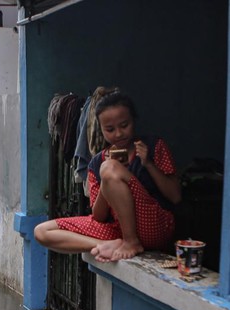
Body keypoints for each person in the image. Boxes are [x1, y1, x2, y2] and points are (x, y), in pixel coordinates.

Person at [34, 92, 182, 262]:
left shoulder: (154, 146)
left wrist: (148, 163)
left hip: (154, 226)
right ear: (101, 129)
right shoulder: (97, 163)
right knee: (42, 232)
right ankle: (110, 244)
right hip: (116, 229)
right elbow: (99, 216)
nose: (118, 134)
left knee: (109, 168)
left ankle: (131, 241)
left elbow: (175, 197)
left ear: (133, 120)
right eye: (110, 129)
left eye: (124, 125)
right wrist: (108, 179)